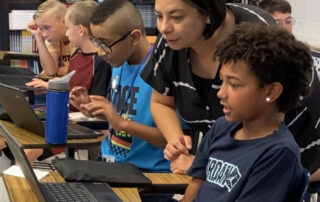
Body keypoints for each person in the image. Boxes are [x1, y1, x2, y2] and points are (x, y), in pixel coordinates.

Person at [140, 0, 276, 174]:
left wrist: (204, 165)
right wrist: (177, 141)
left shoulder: (258, 36)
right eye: (159, 16)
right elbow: (161, 101)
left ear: (208, 15)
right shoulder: (172, 40)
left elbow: (266, 138)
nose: (164, 28)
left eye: (177, 17)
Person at [182, 22, 311, 202]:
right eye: (222, 81)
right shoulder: (222, 127)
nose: (221, 92)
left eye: (234, 85)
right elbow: (196, 185)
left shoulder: (278, 153)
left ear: (271, 92)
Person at [71, 0, 170, 173]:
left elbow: (173, 140)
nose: (100, 52)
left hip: (147, 174)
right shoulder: (119, 63)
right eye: (96, 42)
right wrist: (93, 109)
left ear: (134, 37)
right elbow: (124, 116)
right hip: (110, 164)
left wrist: (119, 122)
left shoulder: (162, 70)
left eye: (105, 43)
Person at [26, 0, 112, 112]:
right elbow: (70, 85)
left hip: (78, 118)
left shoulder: (100, 60)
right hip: (67, 109)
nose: (66, 33)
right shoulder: (78, 54)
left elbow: (94, 107)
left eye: (68, 28)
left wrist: (52, 87)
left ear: (80, 30)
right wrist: (53, 88)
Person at [27, 0, 72, 76]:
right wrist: (38, 37)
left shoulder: (77, 36)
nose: (44, 35)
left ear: (64, 22)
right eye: (41, 28)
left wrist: (57, 71)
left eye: (47, 28)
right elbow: (50, 71)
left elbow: (81, 71)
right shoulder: (54, 38)